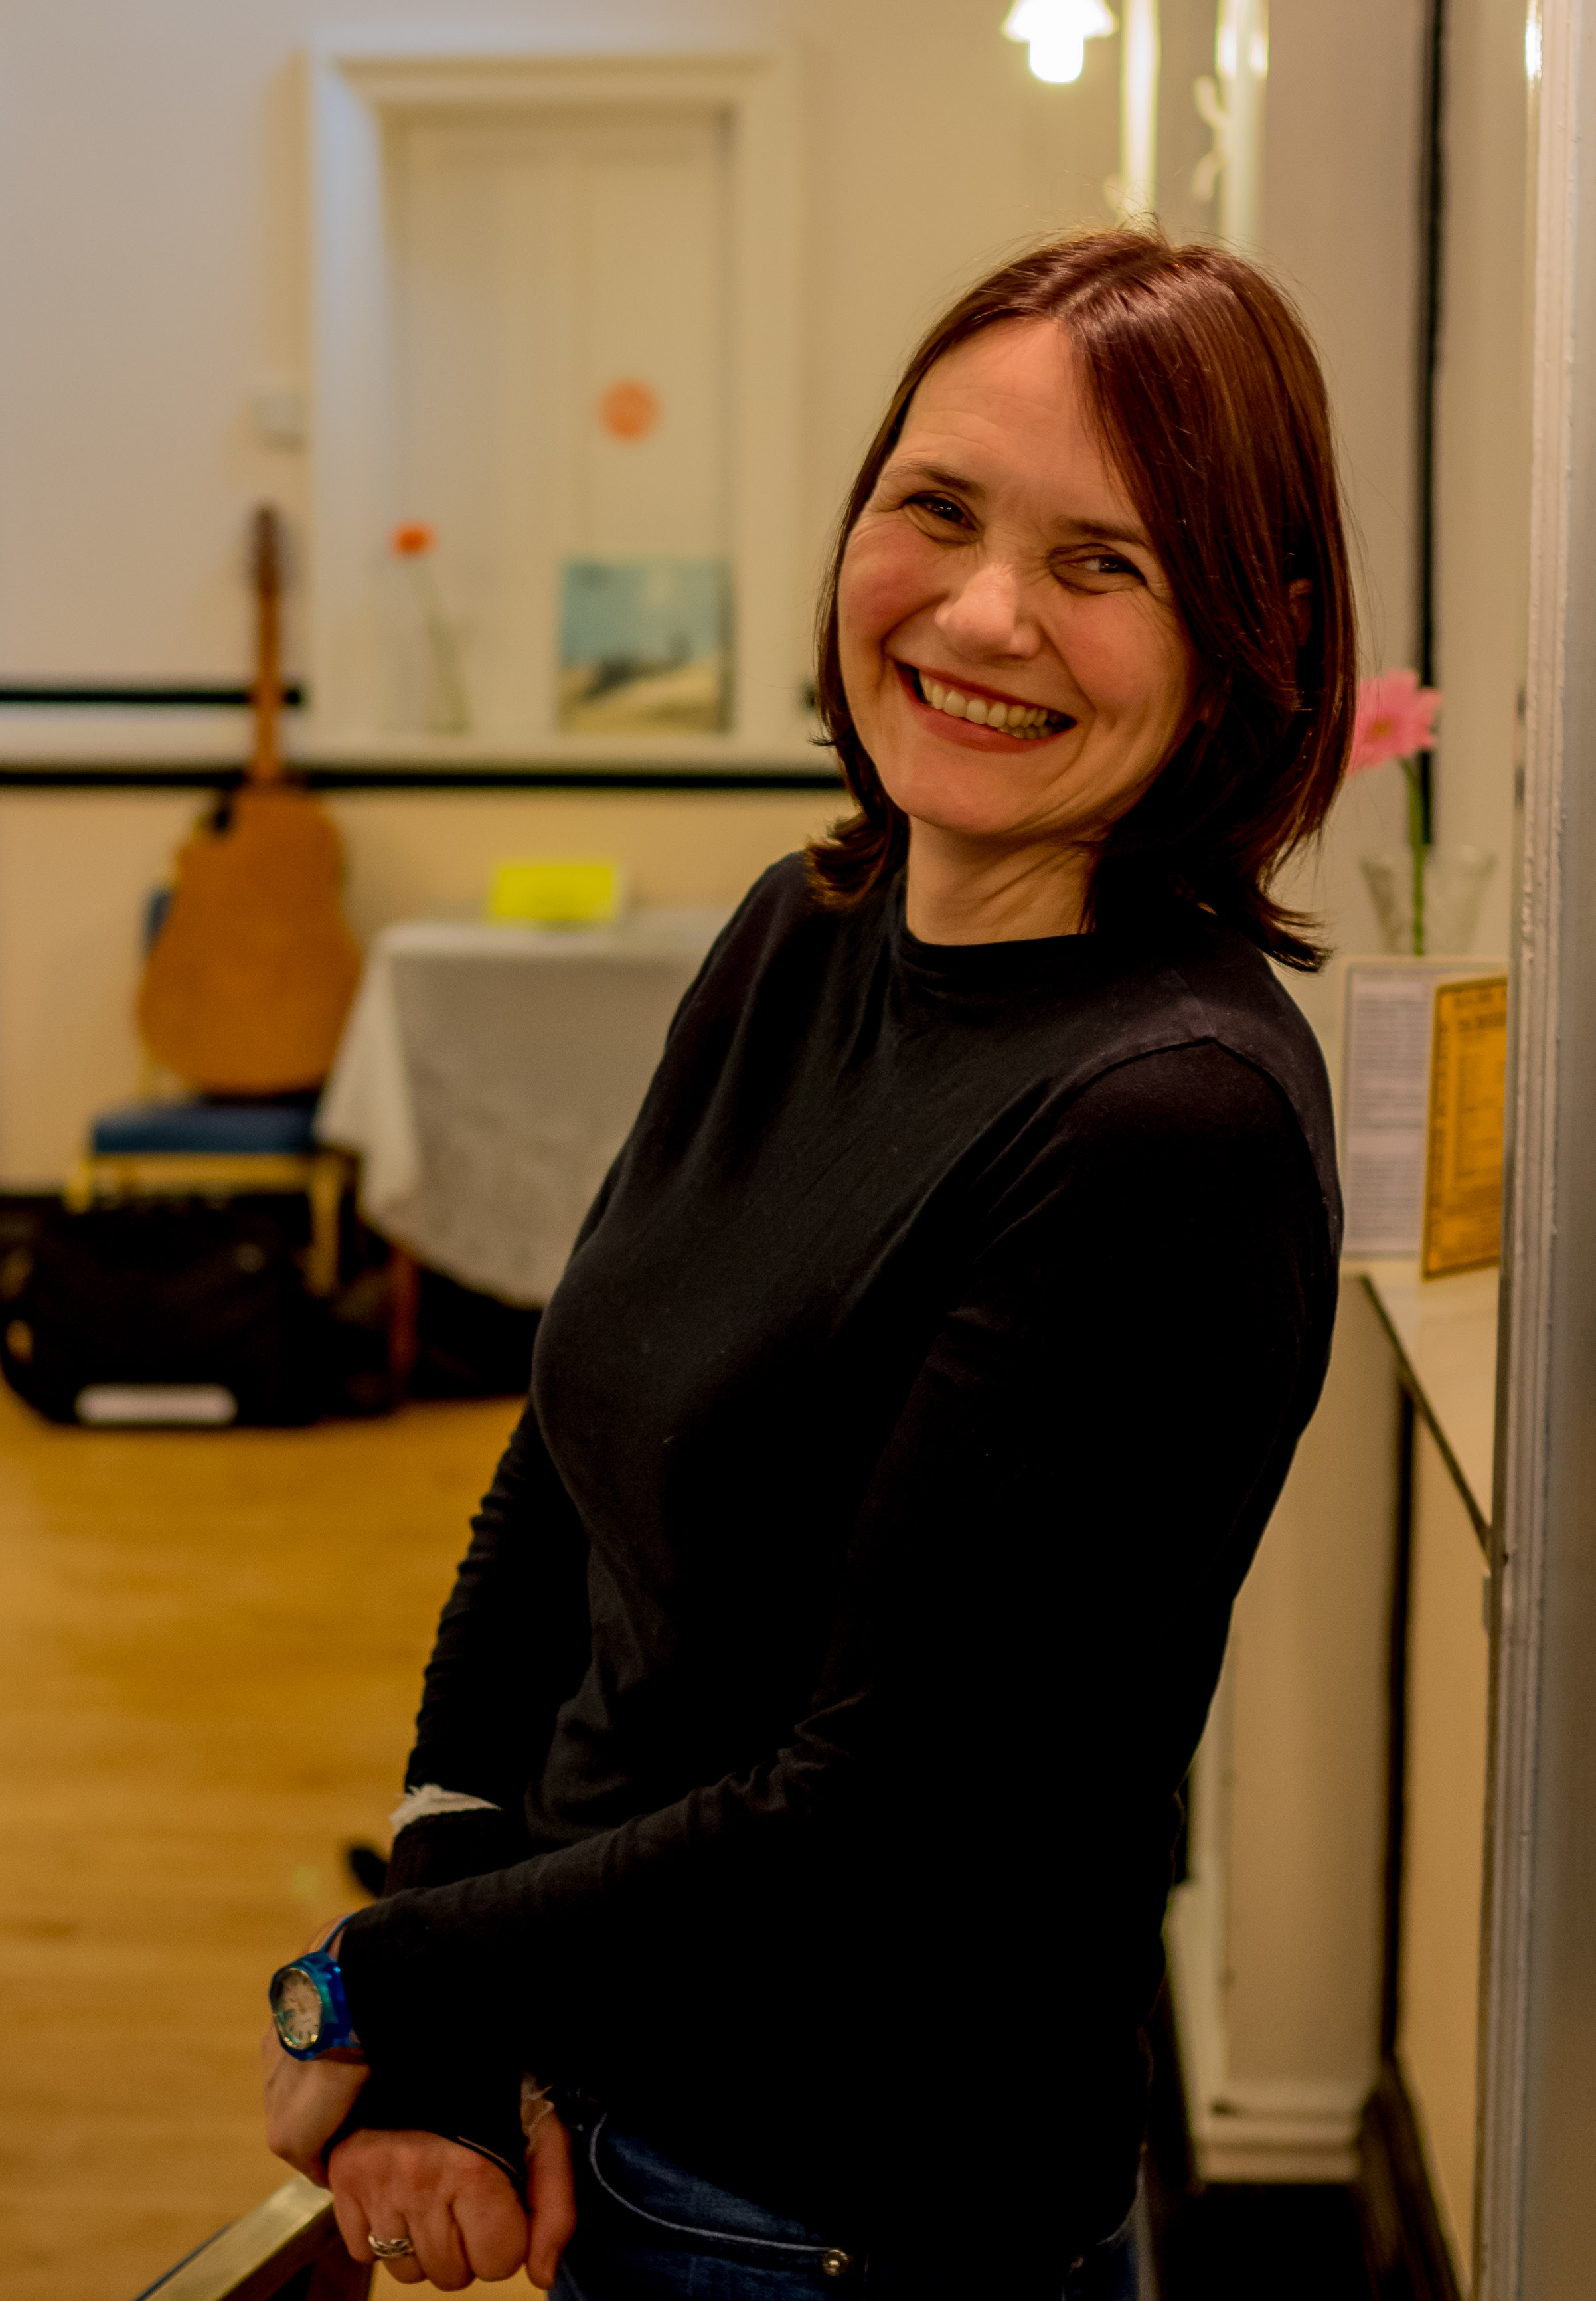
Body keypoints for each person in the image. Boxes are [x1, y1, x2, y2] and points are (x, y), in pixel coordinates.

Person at [264, 224, 1352, 2300]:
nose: (982, 610)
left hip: (845, 2214)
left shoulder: (1166, 1125)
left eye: (1101, 561)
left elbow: (883, 1822)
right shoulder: (806, 924)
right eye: (935, 508)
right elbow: (564, 1462)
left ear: (1249, 639)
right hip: (620, 2109)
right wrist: (455, 1953)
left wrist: (387, 1976)